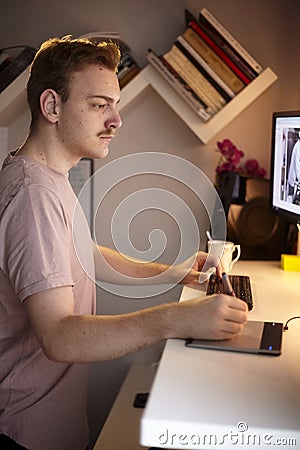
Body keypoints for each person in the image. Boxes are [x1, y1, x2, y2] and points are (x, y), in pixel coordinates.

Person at [0, 36, 248, 450]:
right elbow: (60, 336)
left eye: (115, 104)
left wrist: (175, 271)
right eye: (100, 104)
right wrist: (179, 319)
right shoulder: (32, 195)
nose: (116, 119)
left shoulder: (48, 178)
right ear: (52, 107)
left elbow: (84, 255)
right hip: (25, 431)